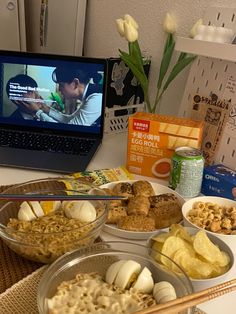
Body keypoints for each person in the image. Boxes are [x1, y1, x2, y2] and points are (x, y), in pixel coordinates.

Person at [23, 65, 103, 126]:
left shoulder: (96, 98)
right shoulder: (89, 94)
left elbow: (72, 129)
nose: (59, 89)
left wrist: (38, 112)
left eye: (61, 85)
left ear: (75, 83)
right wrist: (46, 109)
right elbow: (70, 120)